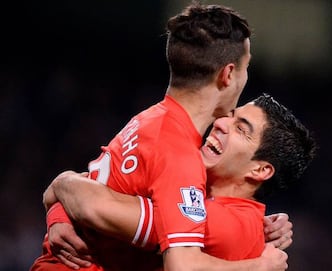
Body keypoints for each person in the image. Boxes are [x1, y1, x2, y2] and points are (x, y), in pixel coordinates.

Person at [33, 2, 292, 271]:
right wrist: (259, 266)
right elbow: (182, 266)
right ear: (227, 74)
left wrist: (59, 207)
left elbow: (71, 189)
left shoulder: (153, 120)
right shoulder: (179, 154)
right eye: (246, 66)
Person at [31, 93, 316, 271]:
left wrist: (61, 187)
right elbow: (89, 185)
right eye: (231, 116)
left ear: (261, 170)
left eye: (241, 129)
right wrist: (59, 215)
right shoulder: (199, 187)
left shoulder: (224, 223)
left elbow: (93, 204)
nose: (221, 123)